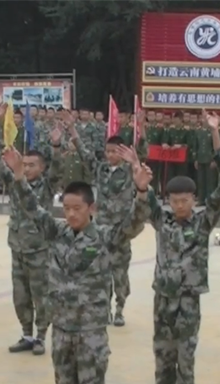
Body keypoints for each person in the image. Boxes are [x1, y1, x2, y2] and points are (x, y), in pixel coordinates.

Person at [1, 146, 150, 384]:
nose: (70, 215)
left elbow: (135, 223)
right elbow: (31, 209)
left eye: (77, 209)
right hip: (63, 332)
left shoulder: (105, 238)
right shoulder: (57, 234)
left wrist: (141, 191)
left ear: (91, 209)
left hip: (91, 334)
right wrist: (18, 176)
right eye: (66, 208)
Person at [141, 112, 220, 384]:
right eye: (175, 200)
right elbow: (145, 201)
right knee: (162, 350)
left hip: (188, 297)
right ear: (168, 200)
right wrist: (141, 187)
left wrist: (217, 138)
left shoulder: (204, 222)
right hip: (163, 296)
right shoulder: (161, 219)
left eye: (185, 200)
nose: (180, 205)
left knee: (185, 351)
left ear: (194, 199)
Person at [0, 108, 64, 355]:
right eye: (26, 164)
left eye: (33, 165)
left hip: (40, 249)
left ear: (41, 168)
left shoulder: (47, 184)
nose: (28, 168)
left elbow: (58, 168)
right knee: (20, 295)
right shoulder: (14, 182)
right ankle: (27, 334)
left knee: (41, 295)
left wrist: (56, 145)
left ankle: (41, 335)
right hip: (18, 247)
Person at [61, 109, 139, 327]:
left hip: (121, 230)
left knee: (120, 272)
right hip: (102, 229)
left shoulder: (130, 171)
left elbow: (140, 170)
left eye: (115, 151)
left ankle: (120, 308)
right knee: (101, 270)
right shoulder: (100, 169)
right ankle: (104, 309)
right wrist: (71, 129)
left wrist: (134, 159)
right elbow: (84, 152)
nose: (111, 155)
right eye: (108, 151)